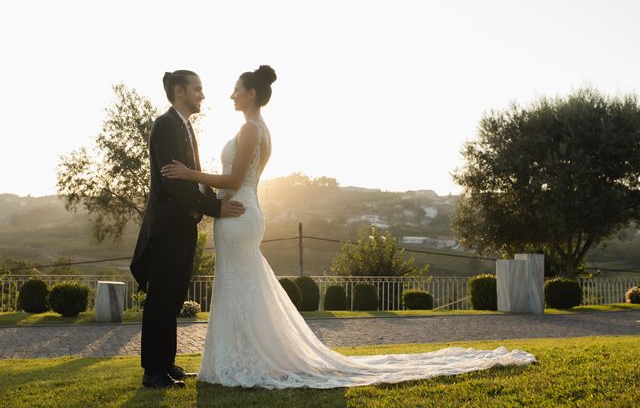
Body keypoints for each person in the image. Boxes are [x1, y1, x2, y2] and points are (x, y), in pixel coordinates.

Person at [161, 65, 537, 389]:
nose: (230, 95)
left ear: (252, 93)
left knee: (239, 284)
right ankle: (241, 356)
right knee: (241, 284)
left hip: (238, 213)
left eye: (236, 90)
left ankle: (245, 360)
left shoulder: (250, 131)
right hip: (244, 211)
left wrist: (188, 173)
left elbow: (236, 178)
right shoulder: (261, 129)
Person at [131, 70, 245, 389]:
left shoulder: (184, 125)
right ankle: (153, 372)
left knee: (173, 297)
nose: (202, 95)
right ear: (179, 91)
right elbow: (174, 180)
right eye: (197, 89)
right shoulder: (166, 125)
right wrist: (217, 208)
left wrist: (216, 199)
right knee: (161, 299)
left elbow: (191, 177)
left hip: (182, 227)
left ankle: (165, 364)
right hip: (167, 227)